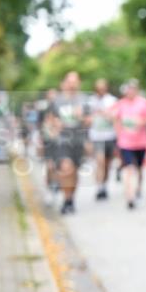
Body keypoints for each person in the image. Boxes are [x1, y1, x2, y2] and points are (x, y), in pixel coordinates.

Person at [46, 72, 87, 215]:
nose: (72, 84)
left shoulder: (84, 100)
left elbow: (90, 121)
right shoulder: (56, 101)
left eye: (75, 81)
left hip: (79, 140)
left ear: (79, 83)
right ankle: (66, 198)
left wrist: (82, 117)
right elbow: (49, 121)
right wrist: (54, 127)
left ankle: (71, 199)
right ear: (65, 83)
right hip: (63, 140)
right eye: (69, 81)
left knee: (75, 172)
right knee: (65, 168)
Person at [113, 79, 146, 210]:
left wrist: (143, 124)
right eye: (128, 89)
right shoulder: (121, 104)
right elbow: (115, 119)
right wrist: (118, 135)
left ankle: (138, 189)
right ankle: (130, 197)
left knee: (139, 168)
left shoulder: (143, 103)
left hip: (141, 142)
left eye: (133, 89)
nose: (131, 91)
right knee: (129, 169)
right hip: (125, 143)